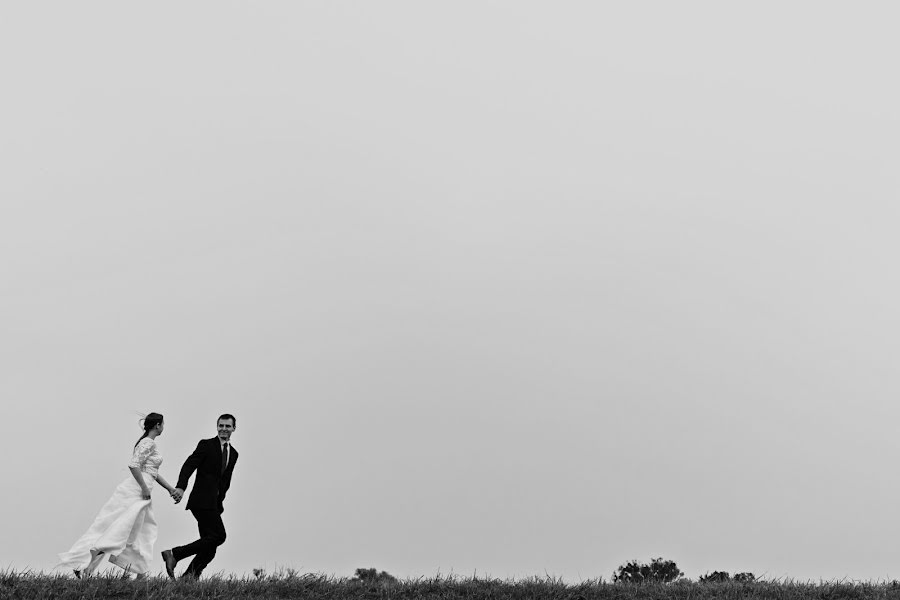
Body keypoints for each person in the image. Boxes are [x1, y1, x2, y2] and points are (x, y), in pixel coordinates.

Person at [57, 413, 180, 578]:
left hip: (143, 489)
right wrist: (144, 488)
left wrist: (170, 489)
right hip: (136, 492)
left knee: (137, 532)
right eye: (163, 424)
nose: (163, 427)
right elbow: (133, 465)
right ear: (158, 425)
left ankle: (138, 572)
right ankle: (86, 566)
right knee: (120, 531)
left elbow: (152, 472)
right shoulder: (148, 443)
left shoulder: (149, 443)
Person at [161, 414, 239, 579]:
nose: (224, 429)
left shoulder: (234, 454)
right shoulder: (206, 445)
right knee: (219, 536)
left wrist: (220, 504)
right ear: (217, 426)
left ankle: (188, 578)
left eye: (227, 426)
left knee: (210, 547)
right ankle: (174, 554)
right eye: (221, 425)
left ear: (233, 428)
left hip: (214, 504)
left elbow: (225, 482)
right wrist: (181, 487)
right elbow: (189, 465)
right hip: (201, 500)